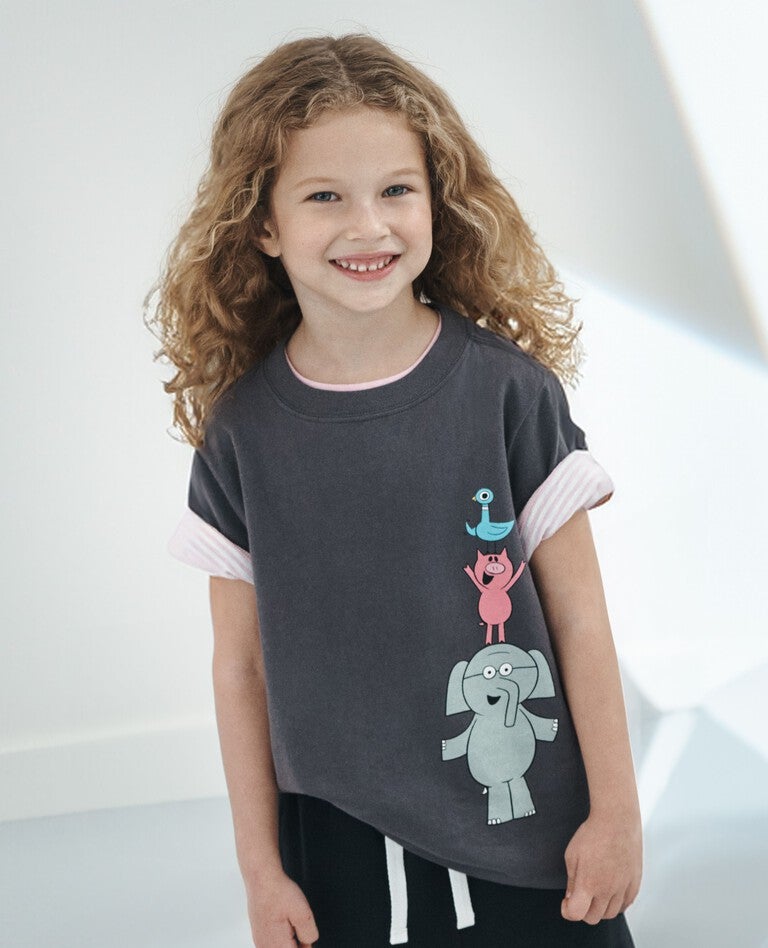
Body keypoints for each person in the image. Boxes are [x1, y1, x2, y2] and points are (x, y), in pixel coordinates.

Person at [147, 32, 642, 948]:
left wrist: (616, 814)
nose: (367, 226)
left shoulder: (509, 394)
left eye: (396, 191)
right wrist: (260, 871)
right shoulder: (241, 433)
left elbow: (581, 620)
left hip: (521, 812)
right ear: (262, 224)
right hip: (334, 835)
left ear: (438, 202)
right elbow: (240, 666)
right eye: (324, 196)